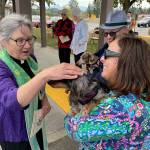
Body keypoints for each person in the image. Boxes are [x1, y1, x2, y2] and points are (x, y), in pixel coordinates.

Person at [0, 14, 83, 150]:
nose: (27, 46)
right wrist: (45, 75)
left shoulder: (30, 58)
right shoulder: (2, 66)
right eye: (20, 41)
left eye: (29, 39)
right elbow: (11, 101)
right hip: (15, 132)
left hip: (35, 121)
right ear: (4, 41)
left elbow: (37, 81)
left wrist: (44, 99)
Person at [64, 35, 150, 149]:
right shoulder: (137, 96)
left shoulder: (121, 109)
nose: (102, 59)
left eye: (108, 54)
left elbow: (74, 128)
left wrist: (72, 112)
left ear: (126, 62)